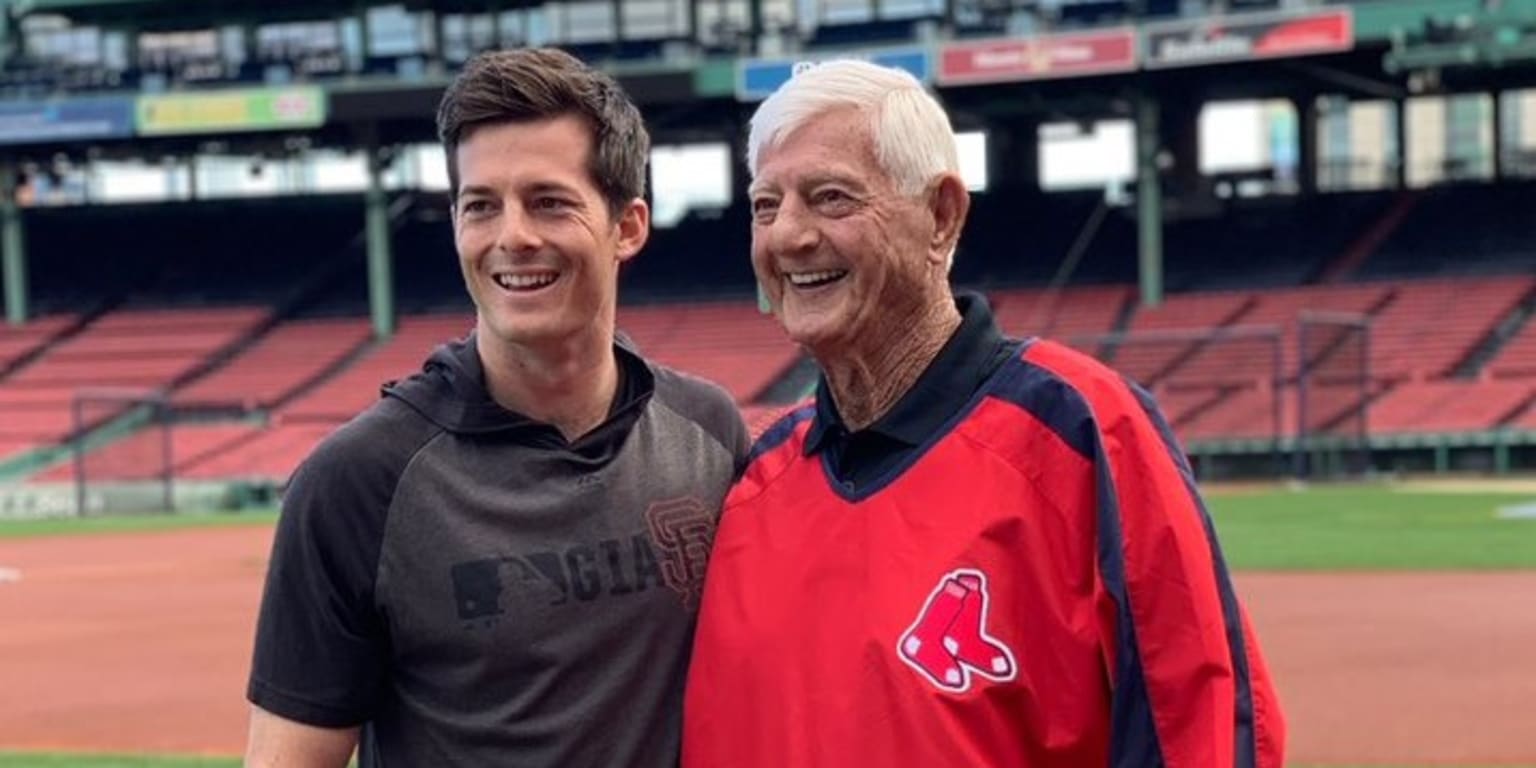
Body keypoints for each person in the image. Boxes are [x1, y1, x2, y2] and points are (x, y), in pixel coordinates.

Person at [683, 60, 1285, 767]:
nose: (788, 236)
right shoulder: (754, 484)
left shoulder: (1083, 433)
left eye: (831, 198)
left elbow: (1200, 732)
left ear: (941, 216)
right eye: (765, 205)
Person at [245, 48, 747, 767]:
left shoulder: (709, 433)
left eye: (549, 201)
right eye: (481, 205)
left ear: (628, 226)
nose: (512, 235)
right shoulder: (357, 482)